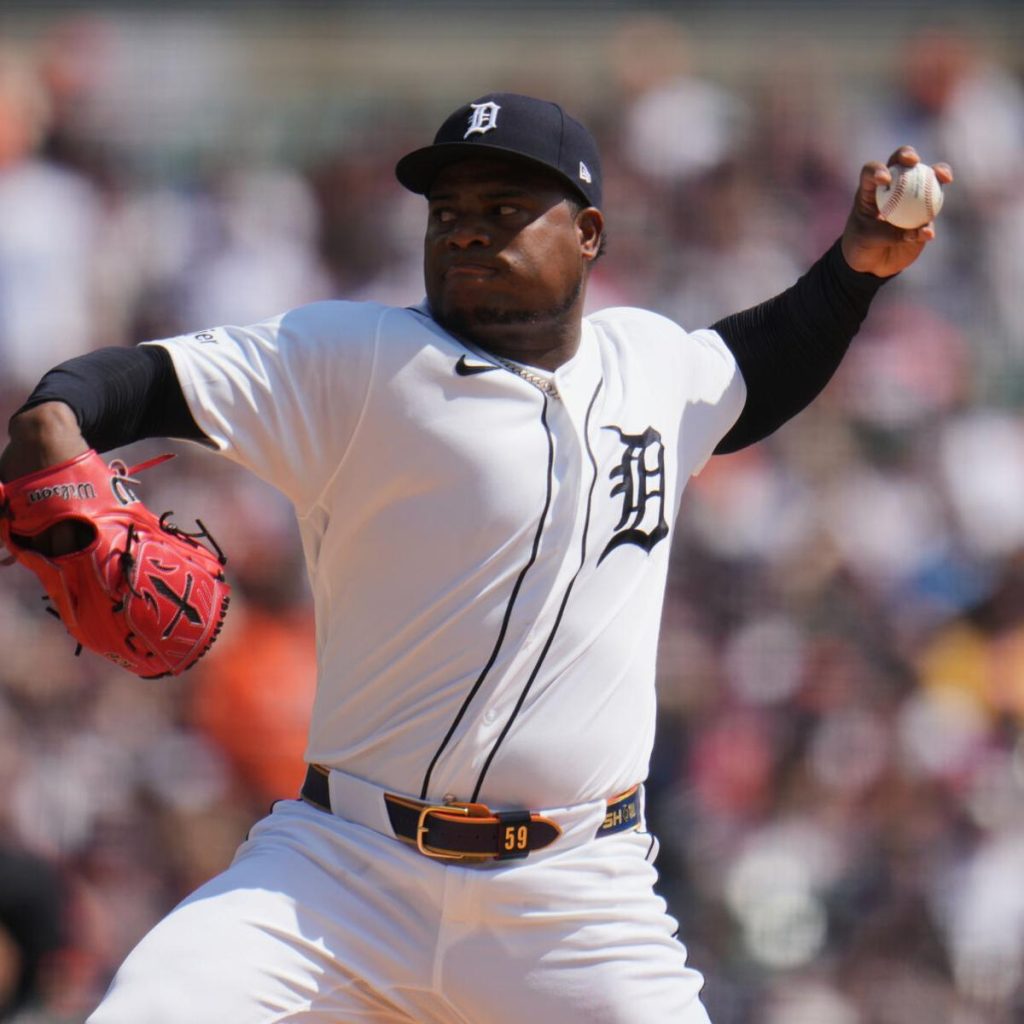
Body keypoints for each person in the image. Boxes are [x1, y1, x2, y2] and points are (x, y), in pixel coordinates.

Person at [0, 93, 952, 1023]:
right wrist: (57, 414)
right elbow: (144, 380)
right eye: (448, 210)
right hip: (342, 873)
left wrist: (855, 271)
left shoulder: (649, 362)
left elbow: (757, 366)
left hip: (576, 898)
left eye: (503, 209)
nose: (465, 229)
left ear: (588, 234)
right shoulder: (355, 360)